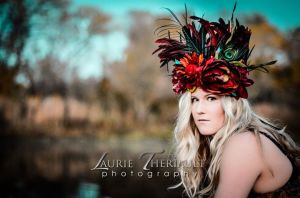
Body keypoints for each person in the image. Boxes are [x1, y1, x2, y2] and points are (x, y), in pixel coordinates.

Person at [153, 4, 300, 198]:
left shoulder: (244, 143)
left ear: (232, 103)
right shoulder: (247, 136)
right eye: (195, 100)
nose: (198, 110)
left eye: (211, 98)